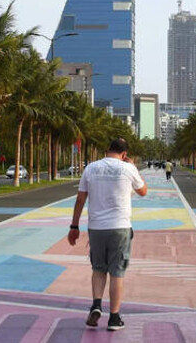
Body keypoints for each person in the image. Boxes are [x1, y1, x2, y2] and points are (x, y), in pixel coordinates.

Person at [68, 138, 148, 331]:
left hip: (96, 228)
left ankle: (96, 304)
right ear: (124, 154)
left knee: (98, 269)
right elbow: (143, 191)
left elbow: (80, 199)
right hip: (120, 227)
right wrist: (133, 167)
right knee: (117, 273)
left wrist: (74, 226)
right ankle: (114, 318)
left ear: (107, 150)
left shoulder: (91, 168)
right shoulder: (128, 168)